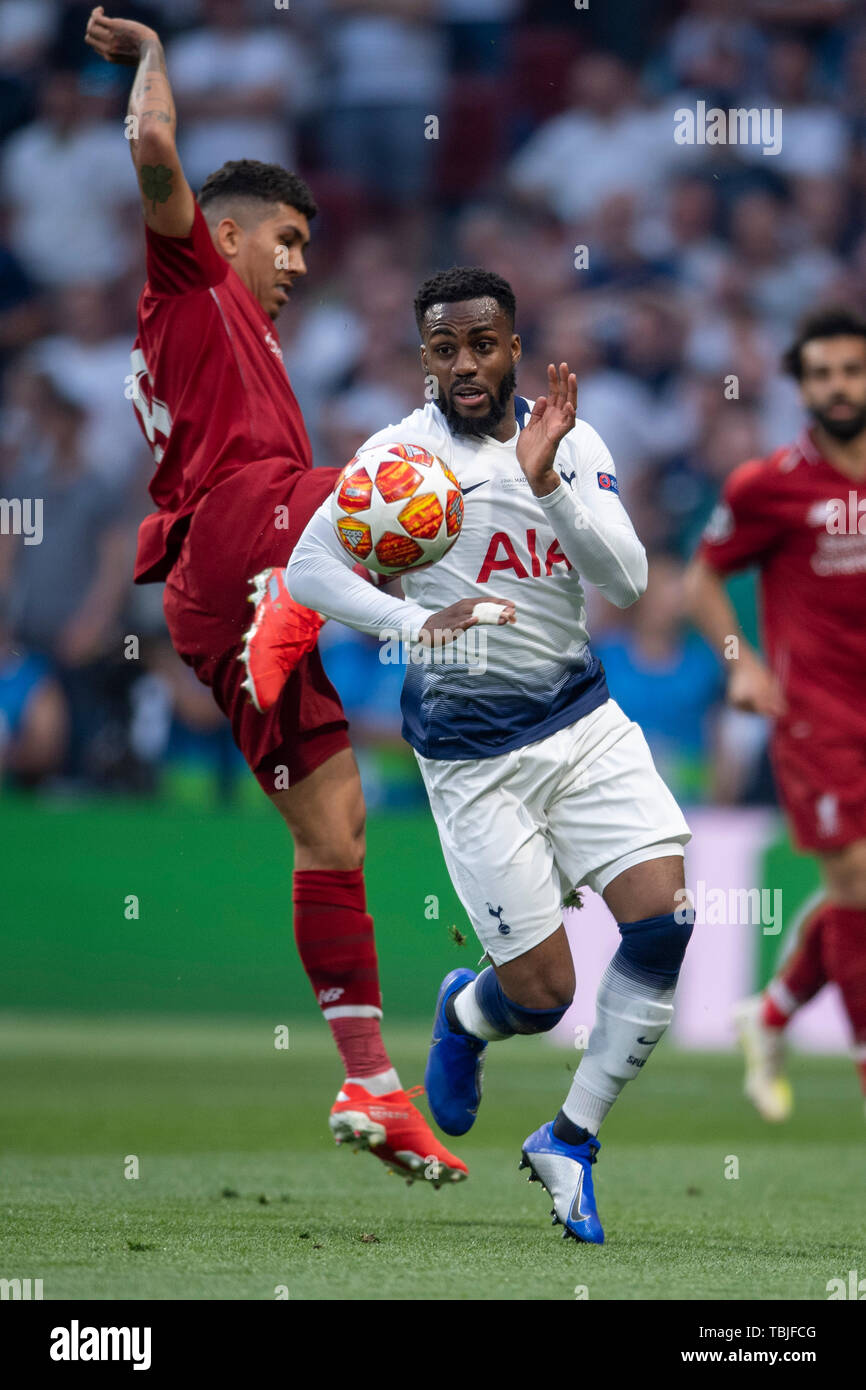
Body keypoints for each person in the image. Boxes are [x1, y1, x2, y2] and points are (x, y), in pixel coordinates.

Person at [83, 6, 469, 1185]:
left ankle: (369, 1078)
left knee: (334, 832)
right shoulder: (191, 274)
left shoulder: (242, 337)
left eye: (306, 245)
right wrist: (154, 61)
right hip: (233, 536)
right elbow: (155, 159)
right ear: (228, 231)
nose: (298, 263)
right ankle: (302, 604)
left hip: (222, 585)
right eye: (286, 240)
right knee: (409, 484)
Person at [286, 267, 694, 1243]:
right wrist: (410, 624)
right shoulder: (399, 464)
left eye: (482, 344)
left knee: (664, 923)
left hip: (582, 723)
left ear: (514, 347)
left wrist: (545, 479)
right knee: (542, 997)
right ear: (424, 357)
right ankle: (467, 1016)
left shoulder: (568, 438)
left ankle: (570, 1136)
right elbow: (306, 565)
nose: (464, 364)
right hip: (472, 761)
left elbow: (629, 584)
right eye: (444, 348)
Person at [685, 307, 866, 1122]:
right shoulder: (769, 485)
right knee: (858, 883)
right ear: (801, 387)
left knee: (859, 891)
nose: (838, 386)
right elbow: (701, 580)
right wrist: (741, 665)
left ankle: (770, 1014)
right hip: (817, 717)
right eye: (822, 373)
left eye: (851, 371)